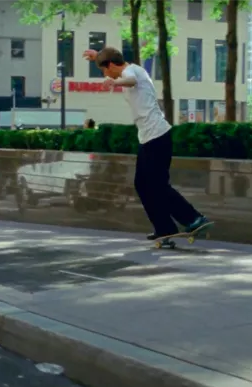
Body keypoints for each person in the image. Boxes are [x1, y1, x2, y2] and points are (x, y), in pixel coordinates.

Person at [82, 47, 211, 244]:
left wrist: (114, 82)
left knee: (157, 185)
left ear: (110, 66)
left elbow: (130, 80)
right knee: (143, 185)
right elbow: (112, 60)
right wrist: (96, 57)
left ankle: (193, 218)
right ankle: (164, 228)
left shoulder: (130, 72)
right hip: (148, 137)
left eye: (103, 70)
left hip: (157, 136)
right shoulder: (127, 68)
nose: (104, 75)